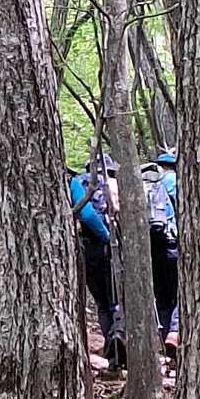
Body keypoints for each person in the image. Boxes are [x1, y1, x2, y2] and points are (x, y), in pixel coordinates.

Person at [71, 156, 125, 370]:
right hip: (109, 244)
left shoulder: (78, 182)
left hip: (86, 247)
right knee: (117, 299)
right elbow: (90, 214)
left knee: (102, 303)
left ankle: (112, 354)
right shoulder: (113, 184)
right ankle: (117, 341)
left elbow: (81, 214)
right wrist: (107, 236)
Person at [154, 148, 179, 354]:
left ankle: (163, 339)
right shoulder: (176, 182)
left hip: (154, 248)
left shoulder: (152, 184)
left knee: (162, 296)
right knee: (179, 292)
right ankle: (175, 331)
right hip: (174, 244)